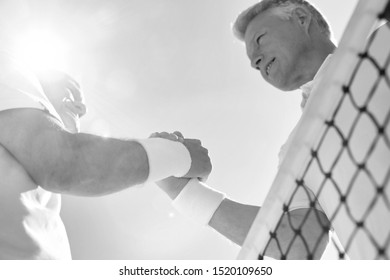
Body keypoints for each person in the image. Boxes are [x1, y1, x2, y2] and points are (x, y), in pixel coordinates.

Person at [154, 0, 335, 260]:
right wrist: (183, 192)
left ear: (302, 18)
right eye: (252, 60)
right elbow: (297, 244)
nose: (256, 61)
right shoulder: (296, 149)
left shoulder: (381, 45)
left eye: (260, 39)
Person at [0, 52, 212, 259]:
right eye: (68, 92)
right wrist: (180, 155)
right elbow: (64, 164)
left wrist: (186, 193)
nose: (81, 107)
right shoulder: (8, 68)